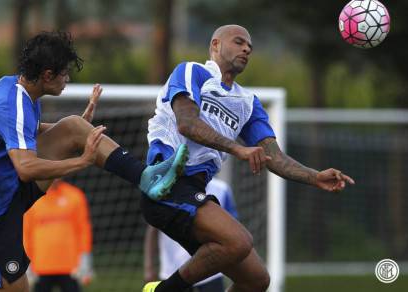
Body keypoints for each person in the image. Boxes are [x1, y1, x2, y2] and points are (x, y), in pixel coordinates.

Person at [0, 31, 188, 292]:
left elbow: (26, 129)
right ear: (47, 75)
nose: (68, 79)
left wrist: (78, 132)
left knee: (74, 126)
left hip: (8, 191)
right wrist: (82, 160)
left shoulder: (18, 90)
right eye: (64, 73)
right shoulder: (11, 104)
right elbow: (26, 168)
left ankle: (148, 178)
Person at [141, 24, 355, 292]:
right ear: (215, 45)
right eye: (239, 42)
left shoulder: (247, 102)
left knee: (256, 280)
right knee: (239, 241)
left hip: (194, 191)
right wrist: (238, 149)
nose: (246, 49)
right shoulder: (191, 71)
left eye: (250, 47)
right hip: (167, 183)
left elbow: (273, 155)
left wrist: (314, 176)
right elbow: (187, 123)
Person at [144, 178, 238, 292]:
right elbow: (153, 230)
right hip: (173, 271)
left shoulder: (222, 189)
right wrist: (149, 267)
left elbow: (232, 231)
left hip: (211, 272)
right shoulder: (166, 187)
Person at [23, 179, 93, 292]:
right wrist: (26, 263)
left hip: (70, 265)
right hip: (40, 266)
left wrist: (85, 257)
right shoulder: (32, 198)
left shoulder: (75, 196)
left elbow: (83, 230)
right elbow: (26, 233)